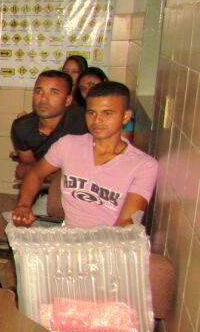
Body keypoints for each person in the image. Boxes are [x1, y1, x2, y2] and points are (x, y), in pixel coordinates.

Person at [12, 82, 157, 228]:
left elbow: (126, 222)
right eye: (91, 112)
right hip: (68, 239)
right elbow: (36, 173)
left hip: (109, 244)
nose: (97, 120)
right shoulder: (68, 145)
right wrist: (24, 205)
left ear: (125, 117)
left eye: (107, 113)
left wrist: (91, 248)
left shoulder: (143, 165)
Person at [11, 70, 88, 181]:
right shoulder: (22, 127)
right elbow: (28, 168)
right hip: (44, 187)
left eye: (54, 92)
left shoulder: (84, 123)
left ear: (68, 100)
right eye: (39, 91)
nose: (43, 98)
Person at [77, 67, 134, 141]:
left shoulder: (119, 112)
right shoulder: (77, 112)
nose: (88, 91)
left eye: (92, 85)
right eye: (83, 89)